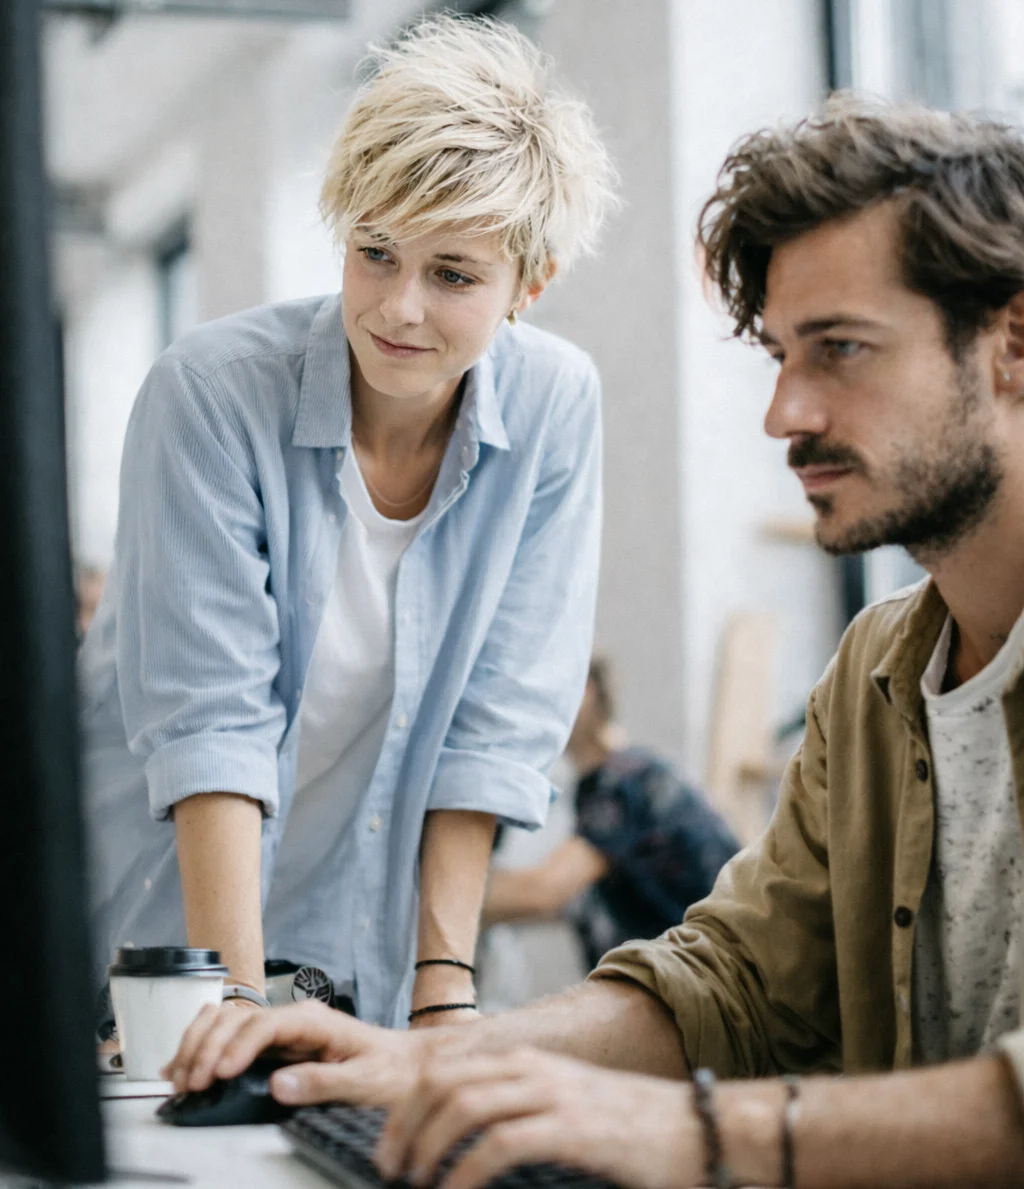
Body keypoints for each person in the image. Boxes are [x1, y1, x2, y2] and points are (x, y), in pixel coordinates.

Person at [166, 95, 1024, 1188]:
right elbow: (735, 981)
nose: (782, 411)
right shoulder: (877, 675)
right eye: (776, 353)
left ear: (1012, 342)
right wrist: (435, 1057)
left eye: (839, 350)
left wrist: (691, 1134)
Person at [80, 14, 616, 1031]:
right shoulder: (213, 393)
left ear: (527, 286)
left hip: (334, 930)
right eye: (375, 253)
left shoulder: (554, 407)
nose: (398, 307)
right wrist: (230, 998)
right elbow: (212, 724)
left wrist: (442, 988)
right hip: (130, 908)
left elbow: (495, 721)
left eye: (453, 274)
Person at [483, 659, 739, 969]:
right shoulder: (619, 778)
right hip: (710, 971)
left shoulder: (621, 782)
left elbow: (543, 892)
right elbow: (562, 901)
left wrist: (432, 900)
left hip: (716, 977)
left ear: (585, 691)